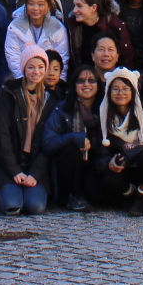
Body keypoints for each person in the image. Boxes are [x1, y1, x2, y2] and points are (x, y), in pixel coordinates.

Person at [0, 49, 54, 214]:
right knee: (13, 205)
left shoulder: (51, 98)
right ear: (24, 68)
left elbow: (50, 140)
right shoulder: (8, 93)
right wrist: (14, 170)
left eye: (40, 67)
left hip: (35, 165)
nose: (36, 72)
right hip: (10, 163)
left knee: (35, 207)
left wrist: (36, 173)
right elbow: (1, 135)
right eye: (31, 67)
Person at [42, 65, 106, 210]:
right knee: (70, 148)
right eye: (81, 81)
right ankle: (72, 196)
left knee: (98, 195)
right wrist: (73, 137)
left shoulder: (105, 109)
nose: (86, 84)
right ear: (74, 85)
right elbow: (47, 142)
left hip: (95, 165)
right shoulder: (62, 109)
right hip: (69, 168)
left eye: (91, 80)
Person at [5, 0, 68, 79]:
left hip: (50, 79)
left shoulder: (57, 27)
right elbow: (13, 56)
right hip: (24, 79)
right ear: (26, 5)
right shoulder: (15, 26)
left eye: (40, 4)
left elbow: (62, 58)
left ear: (48, 6)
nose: (35, 8)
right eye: (31, 4)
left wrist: (57, 81)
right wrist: (24, 80)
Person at [68, 0, 132, 75]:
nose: (74, 10)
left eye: (79, 6)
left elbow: (126, 57)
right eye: (74, 5)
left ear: (94, 7)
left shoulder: (114, 25)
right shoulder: (73, 25)